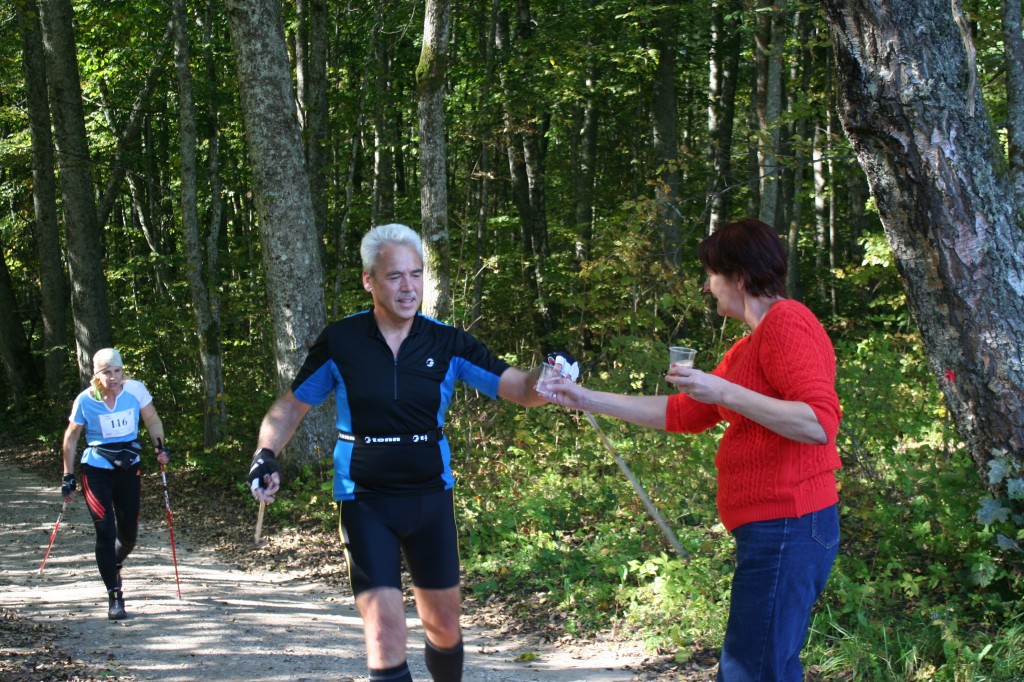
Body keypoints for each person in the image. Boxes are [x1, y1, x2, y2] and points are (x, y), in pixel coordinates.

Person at [246, 223, 574, 682]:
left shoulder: (447, 341)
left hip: (429, 497)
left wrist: (549, 374)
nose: (408, 287)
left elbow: (520, 388)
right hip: (364, 498)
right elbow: (291, 405)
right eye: (395, 275)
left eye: (416, 274)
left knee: (444, 626)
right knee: (384, 631)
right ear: (369, 280)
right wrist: (265, 453)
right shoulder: (342, 340)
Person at [541, 218, 842, 682]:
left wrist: (722, 391)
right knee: (762, 667)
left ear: (738, 276)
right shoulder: (747, 349)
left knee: (751, 670)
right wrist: (583, 397)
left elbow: (818, 423)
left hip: (791, 522)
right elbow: (682, 413)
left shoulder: (787, 322)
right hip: (774, 527)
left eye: (711, 274)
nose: (707, 286)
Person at [61, 347, 171, 620]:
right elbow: (71, 437)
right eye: (107, 372)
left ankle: (114, 563)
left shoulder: (135, 390)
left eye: (118, 371)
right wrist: (68, 474)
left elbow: (152, 419)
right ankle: (115, 595)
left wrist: (159, 446)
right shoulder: (86, 400)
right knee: (105, 530)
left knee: (129, 535)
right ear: (96, 374)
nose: (114, 377)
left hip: (128, 468)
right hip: (96, 469)